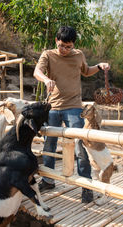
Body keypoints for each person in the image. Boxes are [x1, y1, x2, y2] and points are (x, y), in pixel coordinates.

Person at [33, 26, 110, 203]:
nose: (65, 50)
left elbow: (86, 71)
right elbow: (37, 72)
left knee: (80, 146)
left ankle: (86, 186)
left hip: (74, 107)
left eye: (68, 47)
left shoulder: (78, 55)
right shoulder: (48, 54)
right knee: (49, 145)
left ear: (73, 45)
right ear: (56, 41)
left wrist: (98, 66)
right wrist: (46, 79)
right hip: (52, 107)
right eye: (61, 46)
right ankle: (48, 180)